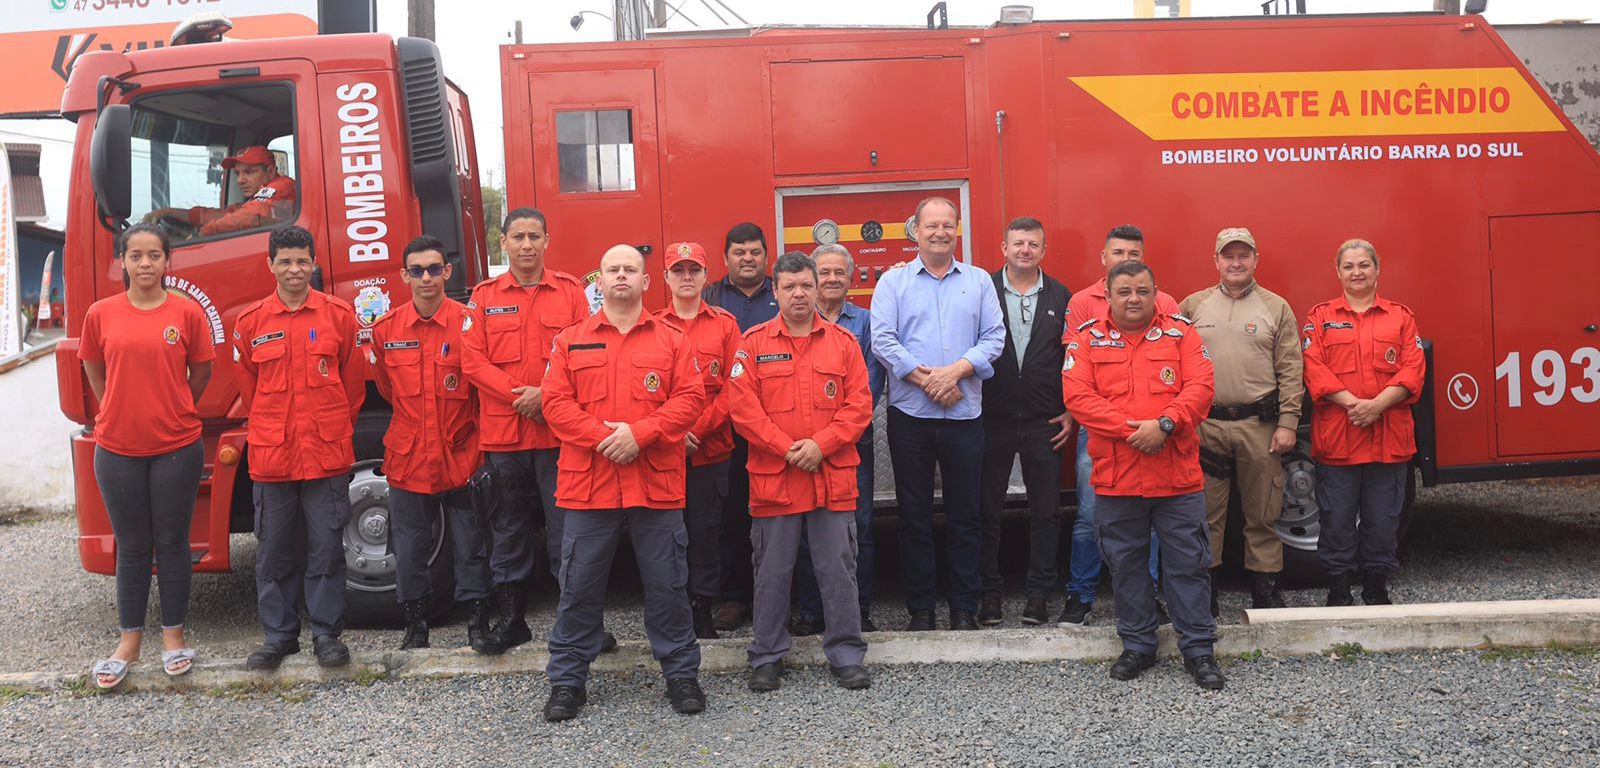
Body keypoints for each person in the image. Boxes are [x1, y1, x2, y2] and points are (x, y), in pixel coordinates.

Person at [539, 244, 709, 722]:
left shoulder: (672, 340)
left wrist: (641, 434)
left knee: (669, 585)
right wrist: (605, 438)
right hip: (589, 486)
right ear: (598, 281)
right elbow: (555, 404)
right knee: (578, 587)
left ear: (645, 281)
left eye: (629, 269)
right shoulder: (569, 340)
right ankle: (568, 682)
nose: (620, 276)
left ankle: (680, 676)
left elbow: (691, 397)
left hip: (653, 484)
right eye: (612, 269)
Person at [1064, 260, 1223, 690]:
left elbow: (1201, 387)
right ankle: (1137, 645)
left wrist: (1166, 424)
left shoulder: (1182, 333)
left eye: (1142, 291)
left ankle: (1199, 651)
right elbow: (1077, 396)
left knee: (1188, 565)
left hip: (1176, 478)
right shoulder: (1087, 339)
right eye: (1124, 291)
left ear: (1156, 293)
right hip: (1118, 478)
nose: (1133, 299)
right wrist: (1134, 431)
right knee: (1126, 565)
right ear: (1109, 295)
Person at [730, 251, 875, 692]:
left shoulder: (844, 343)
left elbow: (860, 407)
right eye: (789, 286)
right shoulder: (752, 344)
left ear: (818, 290)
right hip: (776, 477)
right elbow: (742, 409)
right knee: (772, 570)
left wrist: (821, 445)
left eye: (806, 286)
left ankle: (847, 653)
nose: (798, 294)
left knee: (838, 567)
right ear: (774, 292)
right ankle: (767, 655)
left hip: (831, 475)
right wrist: (786, 448)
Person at [79, 224, 214, 688]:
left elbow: (202, 372)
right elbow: (94, 368)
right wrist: (115, 407)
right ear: (123, 262)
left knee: (174, 544)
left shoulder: (187, 313)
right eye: (135, 256)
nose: (145, 264)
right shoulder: (101, 314)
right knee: (133, 547)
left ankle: (174, 639)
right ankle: (128, 643)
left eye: (154, 255)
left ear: (167, 261)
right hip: (117, 449)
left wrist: (173, 404)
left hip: (177, 446)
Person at [460, 207, 592, 655]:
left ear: (547, 240)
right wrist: (519, 394)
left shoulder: (571, 292)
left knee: (566, 530)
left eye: (535, 235)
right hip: (505, 436)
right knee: (508, 529)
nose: (527, 245)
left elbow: (583, 351)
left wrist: (545, 394)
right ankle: (512, 620)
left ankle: (576, 623)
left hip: (558, 436)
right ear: (503, 242)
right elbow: (472, 360)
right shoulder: (482, 297)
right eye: (518, 236)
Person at [870, 196, 1006, 631]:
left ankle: (964, 607)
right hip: (911, 416)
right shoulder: (893, 283)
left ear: (957, 229)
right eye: (931, 226)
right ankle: (922, 610)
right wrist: (929, 380)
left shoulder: (980, 281)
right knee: (914, 516)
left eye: (948, 225)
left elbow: (994, 338)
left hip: (965, 416)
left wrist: (956, 373)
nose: (940, 233)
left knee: (967, 515)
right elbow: (883, 341)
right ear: (916, 229)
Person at [234, 224, 365, 671]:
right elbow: (249, 393)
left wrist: (326, 429)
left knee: (326, 549)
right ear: (269, 265)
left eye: (302, 261)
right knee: (274, 550)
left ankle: (327, 635)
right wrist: (278, 430)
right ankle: (279, 636)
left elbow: (353, 389)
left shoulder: (338, 316)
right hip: (273, 458)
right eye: (285, 261)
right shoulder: (250, 323)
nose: (294, 269)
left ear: (314, 264)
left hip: (325, 456)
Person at [368, 235, 491, 650]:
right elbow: (387, 388)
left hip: (461, 453)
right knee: (409, 547)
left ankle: (477, 622)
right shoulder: (386, 331)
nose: (426, 278)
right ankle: (415, 627)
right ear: (404, 275)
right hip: (409, 456)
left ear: (447, 272)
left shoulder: (471, 324)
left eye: (434, 269)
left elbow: (480, 388)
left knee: (471, 543)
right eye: (417, 270)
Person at [1179, 227, 1304, 614]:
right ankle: (1207, 593)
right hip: (1206, 426)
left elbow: (1290, 368)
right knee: (1205, 515)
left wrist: (1288, 422)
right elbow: (1173, 363)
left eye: (1243, 255)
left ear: (1255, 260)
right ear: (1215, 260)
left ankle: (1265, 591)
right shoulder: (1192, 306)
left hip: (1259, 426)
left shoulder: (1276, 307)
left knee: (1263, 513)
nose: (1236, 262)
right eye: (1228, 256)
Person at [1059, 225, 1178, 626]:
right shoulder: (1080, 303)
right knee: (1091, 513)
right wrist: (1126, 427)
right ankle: (1081, 595)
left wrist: (1155, 427)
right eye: (1118, 253)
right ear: (1103, 258)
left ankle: (1149, 598)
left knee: (1152, 518)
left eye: (1134, 254)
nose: (1126, 260)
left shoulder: (1165, 301)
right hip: (1102, 431)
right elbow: (1078, 377)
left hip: (1156, 431)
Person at [1302, 239, 1424, 607]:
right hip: (1339, 437)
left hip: (1388, 438)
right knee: (1336, 517)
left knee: (1383, 518)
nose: (1357, 272)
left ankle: (1376, 586)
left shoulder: (1400, 317)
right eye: (1349, 266)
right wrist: (1356, 405)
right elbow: (1313, 367)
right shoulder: (1320, 317)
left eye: (1364, 265)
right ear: (1338, 272)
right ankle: (1338, 588)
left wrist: (1377, 406)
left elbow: (1413, 369)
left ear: (1377, 269)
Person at [978, 217, 1073, 626]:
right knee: (986, 511)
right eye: (1018, 243)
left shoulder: (1060, 295)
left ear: (1043, 250)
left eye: (1033, 244)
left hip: (1044, 420)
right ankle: (989, 595)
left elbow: (1074, 358)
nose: (1024, 250)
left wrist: (1072, 410)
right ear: (1004, 248)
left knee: (1046, 512)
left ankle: (1038, 596)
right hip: (991, 418)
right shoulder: (983, 290)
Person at [790, 243, 887, 635]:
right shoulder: (792, 321)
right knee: (803, 529)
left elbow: (869, 385)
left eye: (838, 273)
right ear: (811, 281)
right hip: (800, 447)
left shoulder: (866, 323)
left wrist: (833, 435)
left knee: (856, 528)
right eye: (823, 272)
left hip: (851, 441)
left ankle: (857, 608)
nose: (831, 279)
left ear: (851, 278)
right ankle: (811, 611)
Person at [656, 241, 742, 639]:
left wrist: (698, 430)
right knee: (668, 532)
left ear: (706, 277)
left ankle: (703, 609)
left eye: (693, 270)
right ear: (665, 277)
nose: (686, 277)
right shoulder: (653, 325)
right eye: (678, 270)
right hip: (665, 453)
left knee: (707, 530)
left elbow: (733, 387)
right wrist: (675, 433)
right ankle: (674, 610)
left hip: (711, 450)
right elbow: (651, 394)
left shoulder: (725, 325)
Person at [700, 222, 779, 632]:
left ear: (766, 256)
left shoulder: (781, 293)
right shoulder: (709, 297)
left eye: (754, 252)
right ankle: (733, 596)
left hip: (775, 425)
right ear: (726, 257)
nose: (747, 258)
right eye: (739, 252)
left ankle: (779, 593)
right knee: (729, 515)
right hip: (725, 429)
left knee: (775, 513)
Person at [143, 145, 296, 237]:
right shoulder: (254, 200)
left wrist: (201, 234)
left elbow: (251, 215)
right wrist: (173, 212)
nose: (240, 180)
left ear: (270, 172)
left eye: (249, 172)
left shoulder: (283, 187)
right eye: (237, 173)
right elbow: (225, 215)